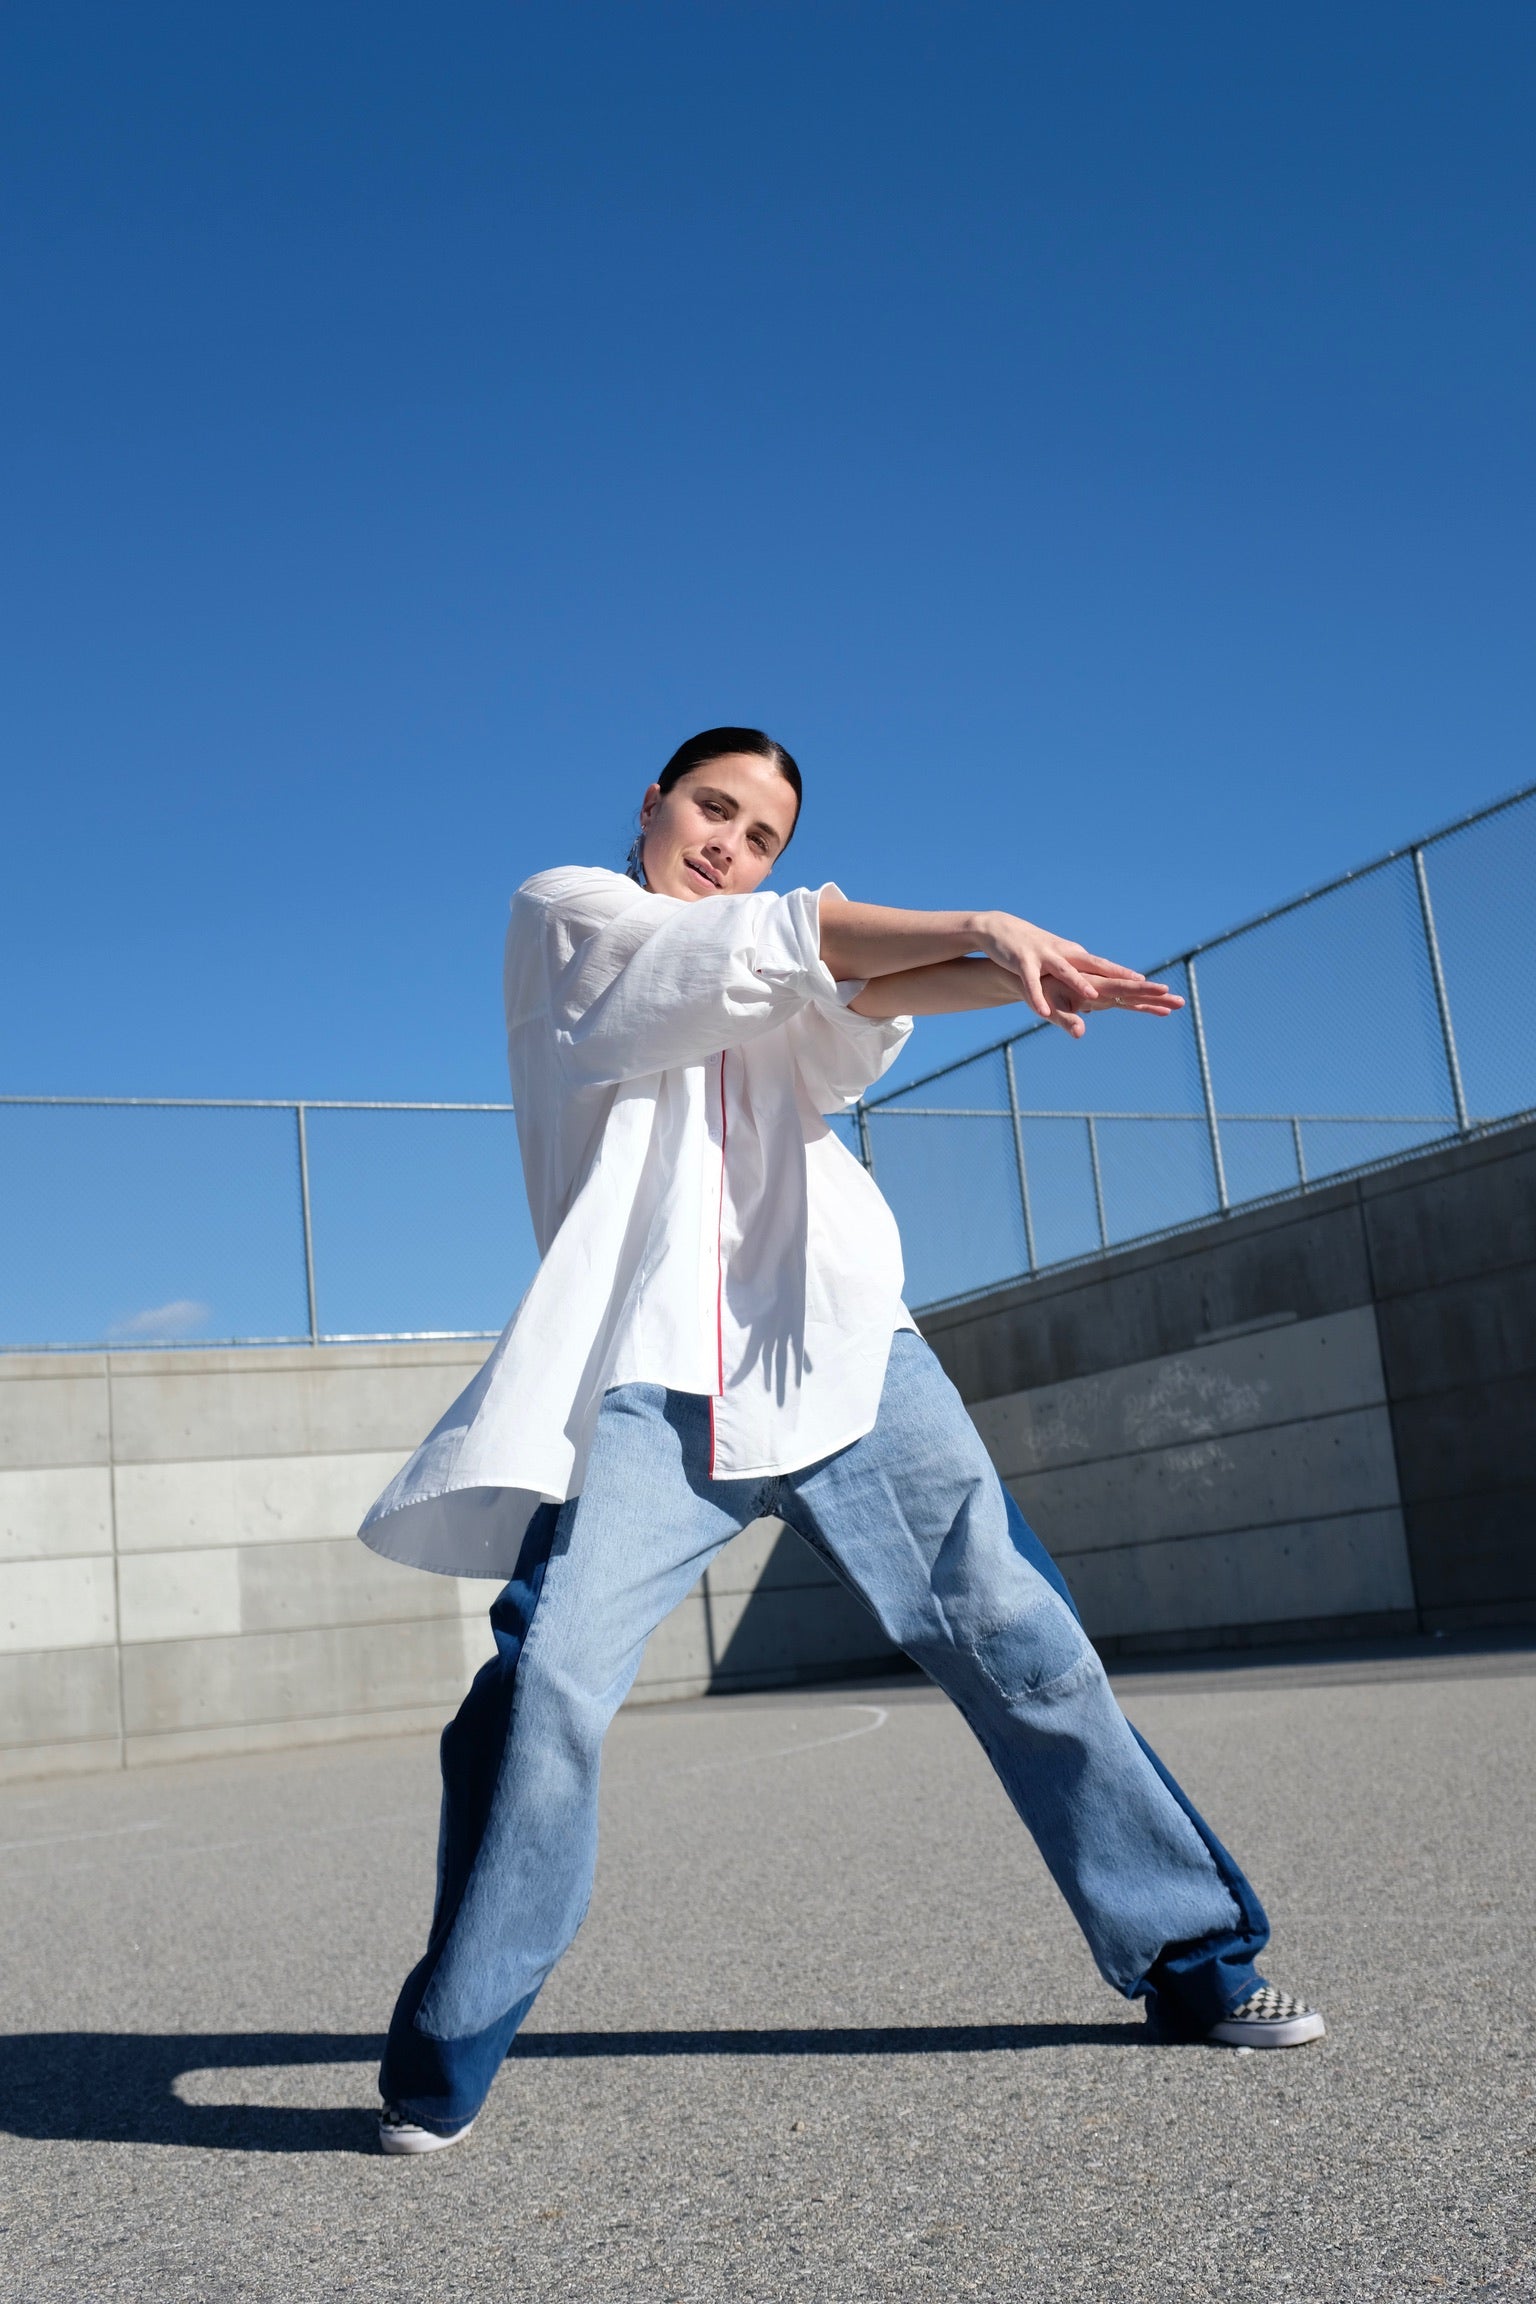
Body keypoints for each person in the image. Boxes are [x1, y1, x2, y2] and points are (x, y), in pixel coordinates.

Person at [359, 726, 1325, 2155]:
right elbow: (770, 953)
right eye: (711, 808)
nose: (727, 844)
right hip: (647, 1382)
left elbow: (839, 986)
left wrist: (1008, 971)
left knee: (1024, 1641)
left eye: (758, 837)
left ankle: (1194, 1967)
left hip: (848, 1351)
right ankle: (444, 2059)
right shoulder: (569, 916)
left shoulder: (772, 959)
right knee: (546, 1679)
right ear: (652, 801)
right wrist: (988, 926)